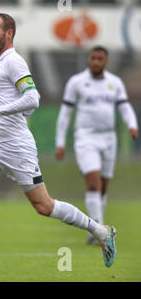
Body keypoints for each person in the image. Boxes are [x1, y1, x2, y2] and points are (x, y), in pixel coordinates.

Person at [0, 13, 117, 272]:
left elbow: (33, 99)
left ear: (9, 34)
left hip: (17, 148)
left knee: (44, 205)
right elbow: (21, 104)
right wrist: (2, 114)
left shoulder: (14, 62)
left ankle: (100, 231)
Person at [55, 46, 138, 245]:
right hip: (85, 137)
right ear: (89, 59)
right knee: (93, 182)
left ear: (105, 61)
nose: (96, 62)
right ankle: (98, 230)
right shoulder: (77, 82)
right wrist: (60, 142)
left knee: (103, 186)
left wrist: (132, 125)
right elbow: (65, 113)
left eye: (100, 59)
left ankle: (94, 229)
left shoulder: (114, 83)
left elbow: (124, 106)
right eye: (93, 58)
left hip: (109, 138)